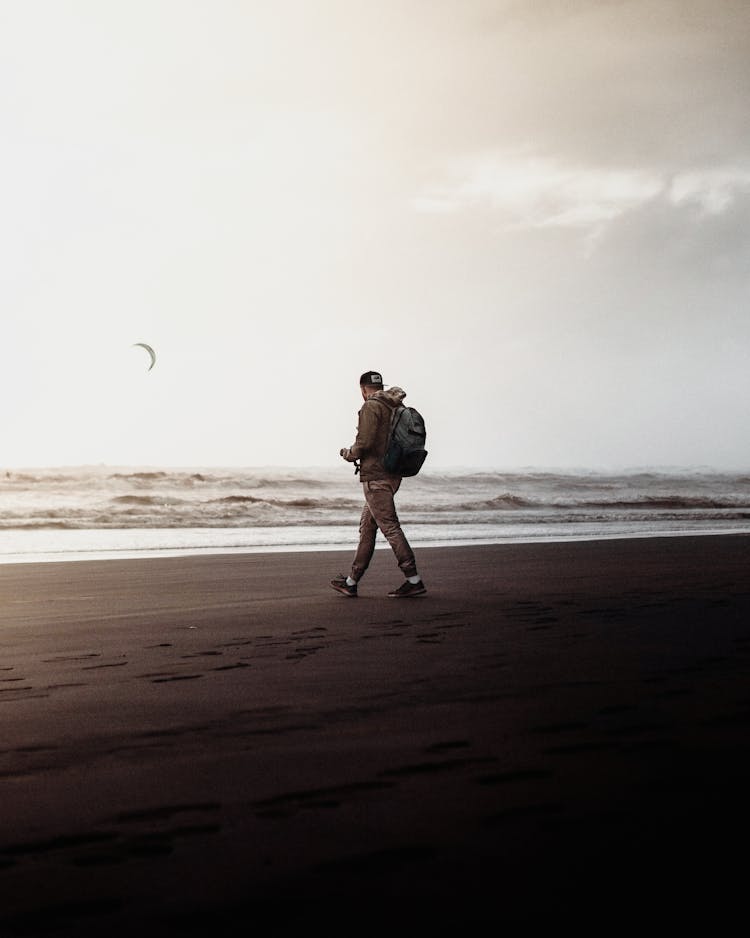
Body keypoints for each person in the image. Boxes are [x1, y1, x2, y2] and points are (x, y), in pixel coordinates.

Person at [330, 370, 426, 598]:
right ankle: (351, 582)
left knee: (390, 527)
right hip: (393, 473)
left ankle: (413, 580)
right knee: (367, 529)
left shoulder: (371, 407)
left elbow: (364, 443)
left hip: (376, 478)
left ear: (363, 389)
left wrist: (348, 453)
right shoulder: (394, 405)